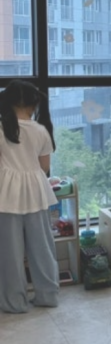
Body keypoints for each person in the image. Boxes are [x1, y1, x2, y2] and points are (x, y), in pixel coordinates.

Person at [0, 80, 60, 313]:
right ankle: (48, 295)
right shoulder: (41, 130)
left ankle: (14, 302)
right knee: (43, 247)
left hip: (6, 195)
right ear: (33, 104)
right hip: (36, 192)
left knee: (9, 252)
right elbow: (44, 167)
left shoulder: (2, 128)